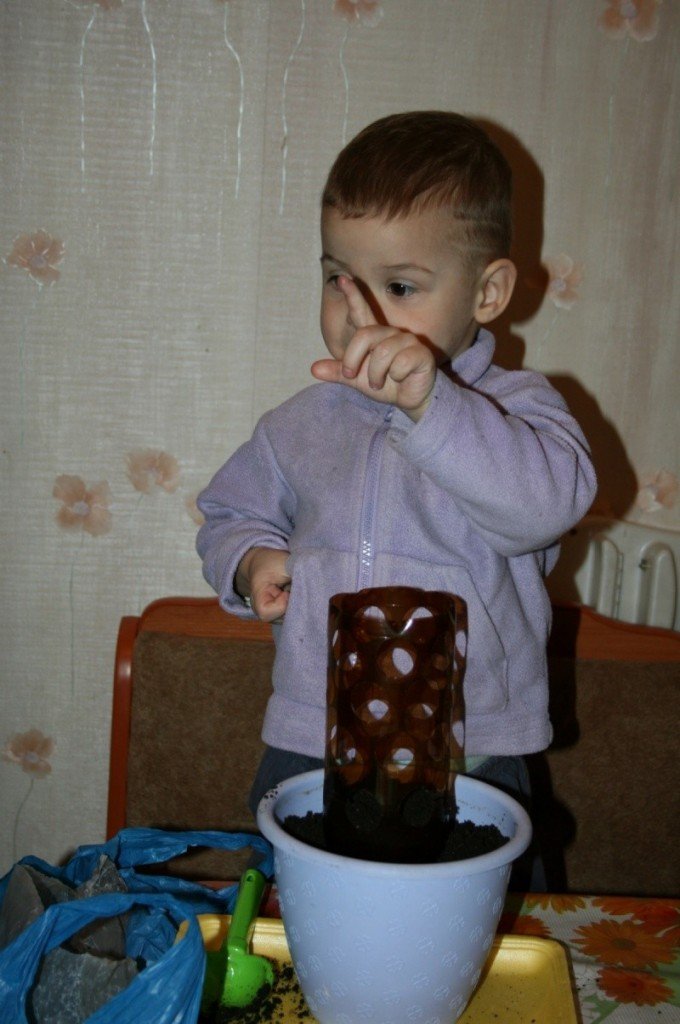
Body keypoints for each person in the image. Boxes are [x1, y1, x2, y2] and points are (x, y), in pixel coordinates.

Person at [196, 112, 597, 886]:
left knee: (476, 935)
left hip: (471, 746)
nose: (359, 312)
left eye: (400, 286)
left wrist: (431, 407)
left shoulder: (521, 411)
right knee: (306, 924)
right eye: (338, 279)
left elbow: (545, 510)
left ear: (488, 292)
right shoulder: (297, 424)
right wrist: (249, 561)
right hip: (313, 737)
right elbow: (227, 511)